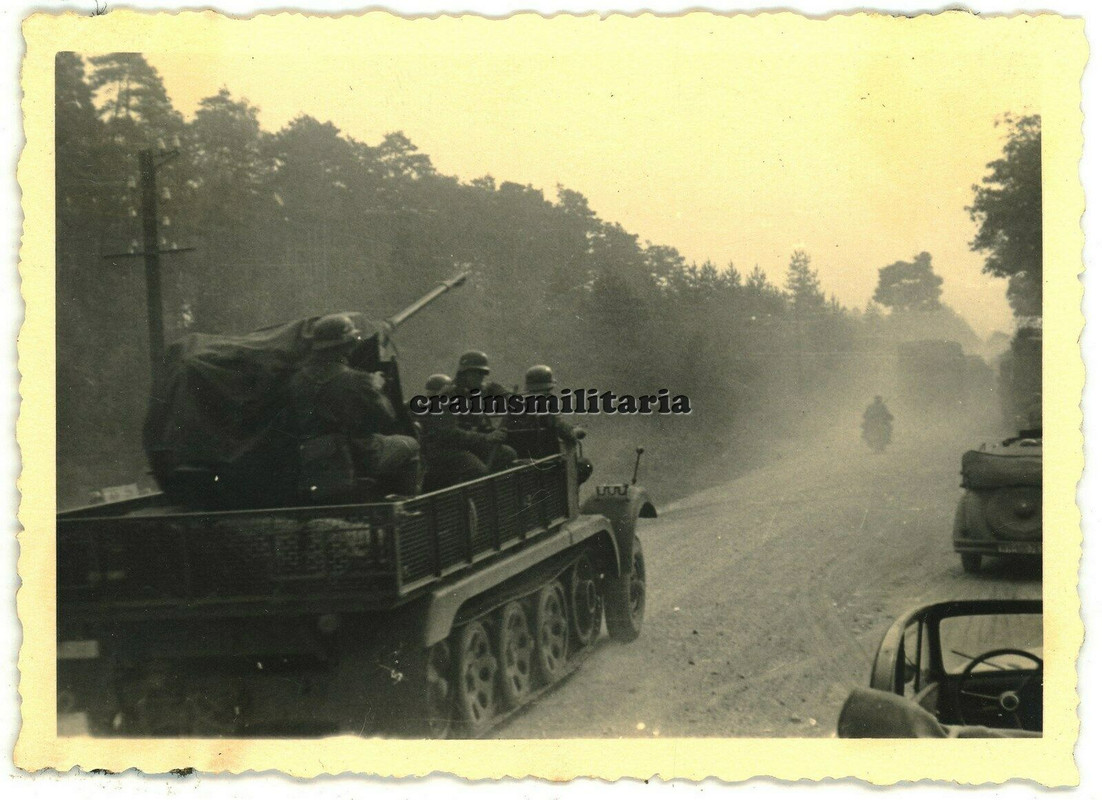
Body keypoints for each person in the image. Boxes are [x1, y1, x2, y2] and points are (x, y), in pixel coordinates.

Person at [287, 313, 420, 502]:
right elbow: (386, 417)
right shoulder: (356, 379)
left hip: (312, 456)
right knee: (410, 445)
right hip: (356, 452)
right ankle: (405, 507)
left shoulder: (297, 380)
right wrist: (377, 388)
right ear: (346, 346)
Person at [420, 350, 517, 491]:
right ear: (464, 374)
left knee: (507, 454)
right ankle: (473, 508)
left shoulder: (476, 391)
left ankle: (499, 498)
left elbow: (494, 389)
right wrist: (487, 438)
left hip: (466, 445)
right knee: (477, 471)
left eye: (483, 374)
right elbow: (450, 434)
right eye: (476, 373)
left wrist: (509, 398)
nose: (481, 377)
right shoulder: (447, 397)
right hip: (444, 450)